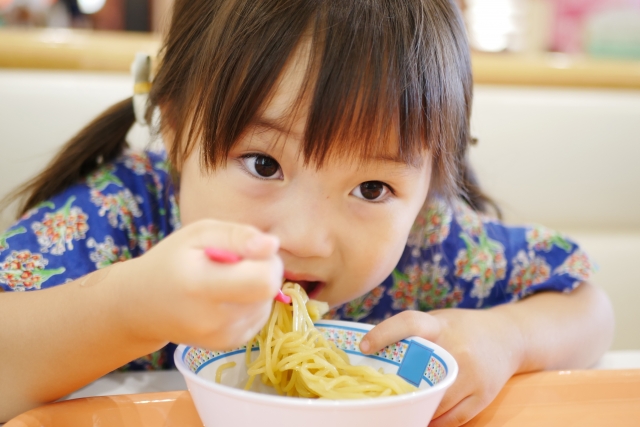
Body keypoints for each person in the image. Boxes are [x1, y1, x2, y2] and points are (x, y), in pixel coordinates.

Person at [0, 0, 614, 425]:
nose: (304, 237)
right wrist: (130, 307)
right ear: (178, 129)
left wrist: (505, 340)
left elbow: (588, 307)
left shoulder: (428, 243)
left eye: (372, 188)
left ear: (428, 182)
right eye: (264, 165)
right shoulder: (124, 213)